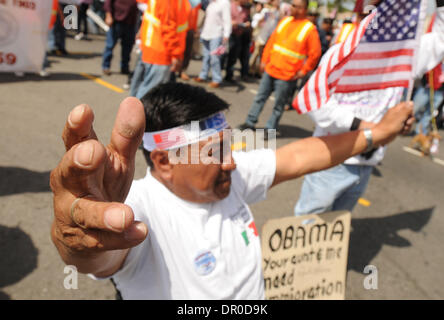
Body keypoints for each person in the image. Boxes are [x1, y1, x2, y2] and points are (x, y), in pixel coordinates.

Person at [50, 82, 413, 299]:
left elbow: (300, 156)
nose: (231, 163)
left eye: (230, 147)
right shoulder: (138, 210)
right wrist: (79, 239)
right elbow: (98, 257)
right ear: (162, 162)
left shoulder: (227, 178)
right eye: (215, 153)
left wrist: (374, 135)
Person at [294, 0, 444, 216]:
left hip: (366, 164)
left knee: (338, 226)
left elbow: (440, 39)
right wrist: (372, 129)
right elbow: (316, 105)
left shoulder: (404, 58)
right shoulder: (342, 54)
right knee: (306, 225)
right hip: (332, 160)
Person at [237, 0, 321, 135]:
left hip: (288, 75)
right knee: (260, 97)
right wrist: (264, 60)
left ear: (304, 9)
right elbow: (272, 41)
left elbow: (315, 54)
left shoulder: (309, 29)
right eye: (293, 5)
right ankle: (249, 122)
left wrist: (303, 71)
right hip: (271, 68)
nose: (293, 8)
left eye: (297, 6)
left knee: (278, 106)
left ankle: (270, 129)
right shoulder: (285, 21)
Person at [130, 0, 188, 99]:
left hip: (151, 46)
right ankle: (136, 112)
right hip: (161, 52)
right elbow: (168, 26)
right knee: (150, 95)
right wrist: (176, 54)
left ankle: (131, 111)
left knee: (139, 89)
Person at [193, 0, 231, 88]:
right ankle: (203, 75)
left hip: (217, 34)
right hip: (206, 33)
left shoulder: (224, 3)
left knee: (215, 58)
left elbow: (227, 20)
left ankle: (216, 79)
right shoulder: (211, 3)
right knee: (206, 56)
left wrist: (226, 34)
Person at [102, 0, 138, 75]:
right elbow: (108, 3)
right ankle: (106, 66)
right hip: (117, 21)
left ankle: (124, 67)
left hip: (130, 22)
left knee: (127, 47)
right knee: (110, 45)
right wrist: (108, 16)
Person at [224, 0, 253, 82]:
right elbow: (225, 18)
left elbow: (247, 20)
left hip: (241, 34)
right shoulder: (230, 6)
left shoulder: (245, 9)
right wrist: (231, 22)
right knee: (230, 55)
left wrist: (247, 24)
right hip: (231, 34)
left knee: (238, 56)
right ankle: (228, 73)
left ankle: (233, 74)